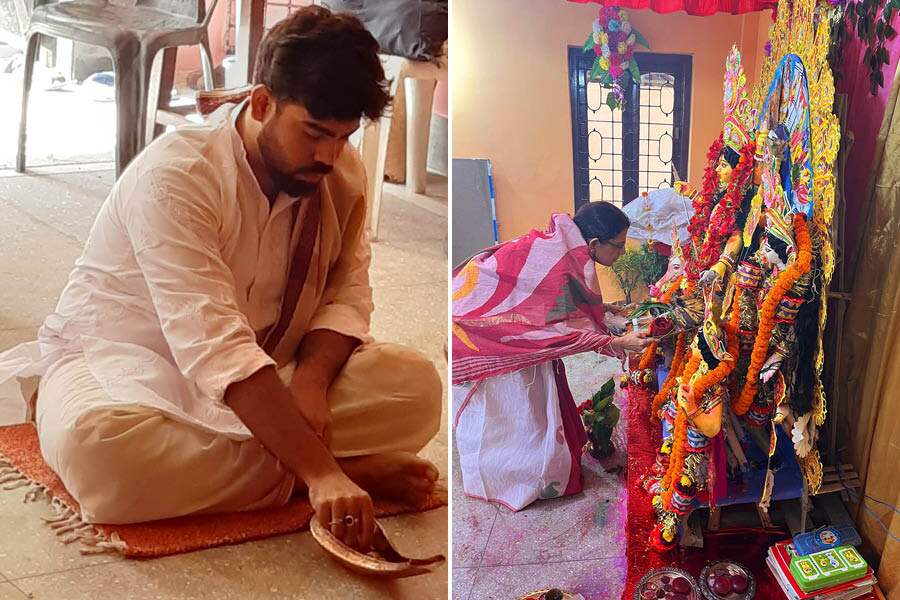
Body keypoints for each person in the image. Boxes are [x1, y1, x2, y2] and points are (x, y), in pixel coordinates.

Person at [0, 6, 441, 553]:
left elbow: (346, 293)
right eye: (314, 133)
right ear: (261, 103)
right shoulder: (178, 177)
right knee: (103, 458)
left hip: (266, 376)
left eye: (344, 136)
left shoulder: (335, 171)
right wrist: (320, 471)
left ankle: (286, 463)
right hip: (125, 369)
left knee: (415, 388)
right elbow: (214, 346)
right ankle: (332, 472)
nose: (329, 155)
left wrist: (308, 385)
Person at [452, 201, 656, 510]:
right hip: (483, 334)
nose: (622, 254)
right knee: (515, 415)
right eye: (619, 246)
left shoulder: (564, 247)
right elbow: (551, 329)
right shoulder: (561, 257)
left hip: (489, 327)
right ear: (594, 244)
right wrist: (619, 342)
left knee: (532, 409)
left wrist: (603, 311)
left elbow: (553, 307)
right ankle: (516, 480)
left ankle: (535, 469)